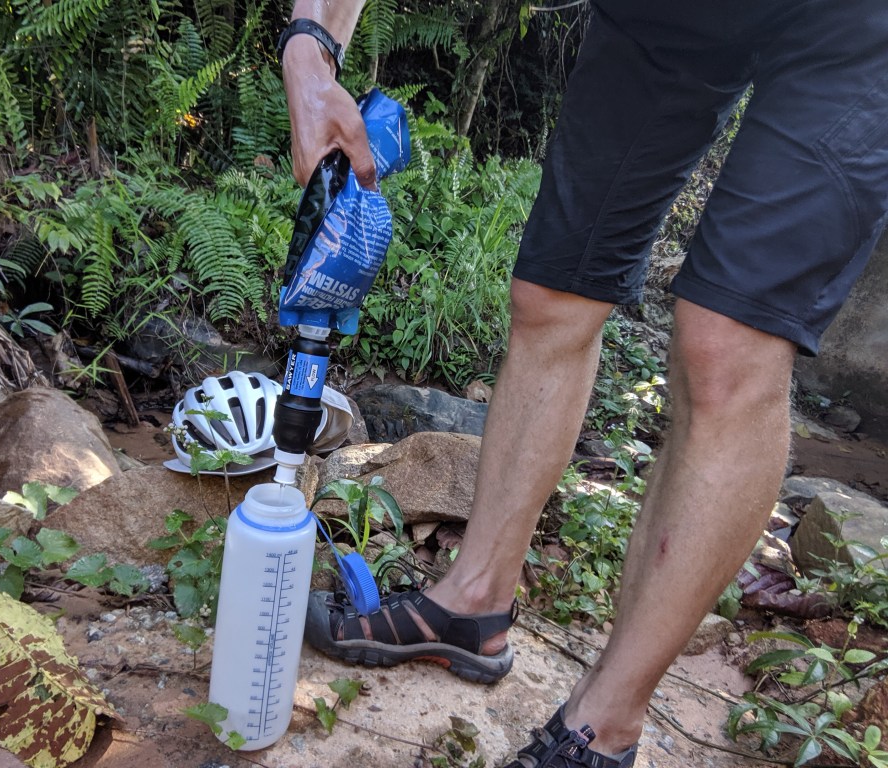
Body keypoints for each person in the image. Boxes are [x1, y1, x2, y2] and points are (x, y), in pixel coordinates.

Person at [279, 1, 888, 766]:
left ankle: (606, 723)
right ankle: (471, 603)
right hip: (657, 21)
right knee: (552, 296)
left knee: (726, 345)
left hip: (849, 26)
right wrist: (309, 53)